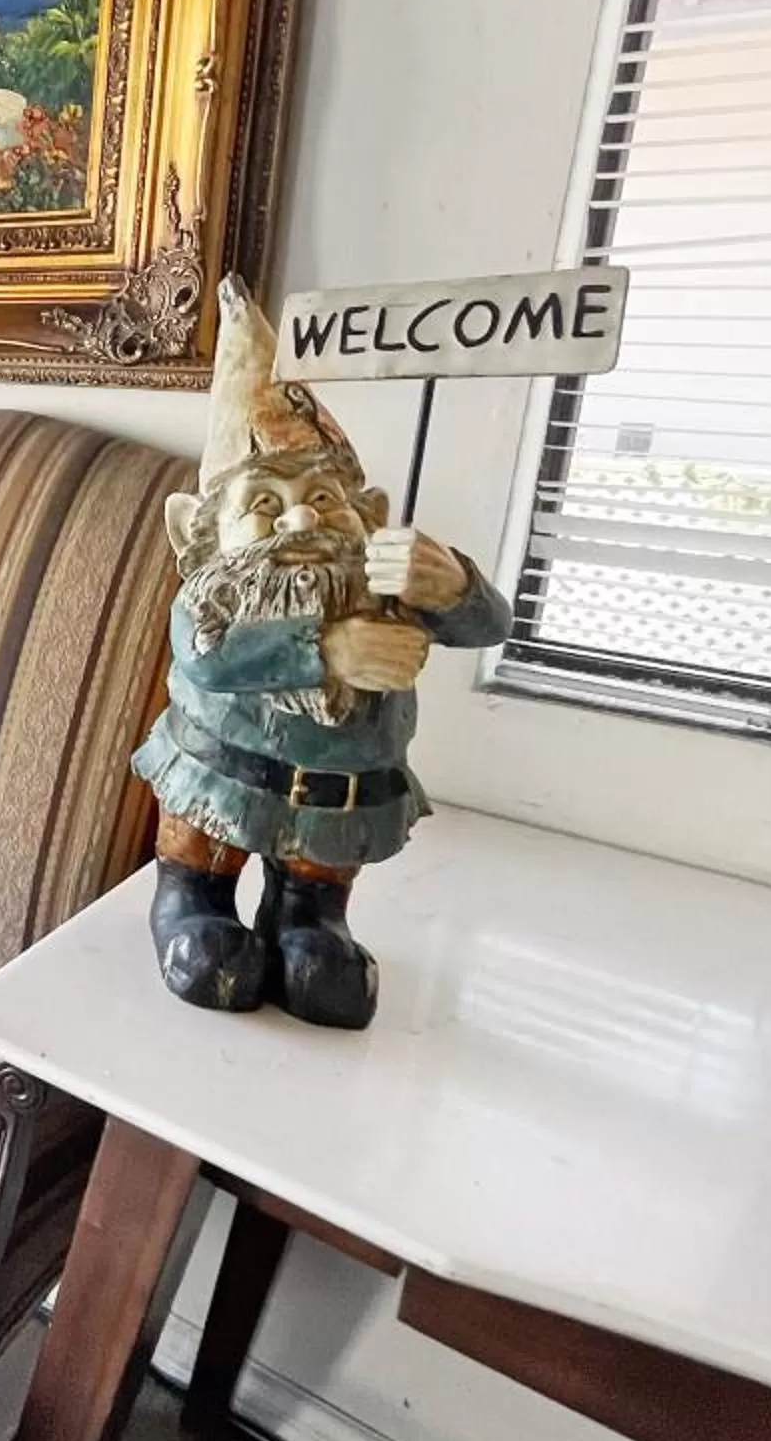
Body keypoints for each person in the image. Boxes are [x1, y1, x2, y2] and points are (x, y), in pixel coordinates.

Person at [134, 278, 511, 1028]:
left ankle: (309, 922)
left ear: (368, 516)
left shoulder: (382, 576)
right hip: (222, 785)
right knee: (203, 892)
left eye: (327, 498)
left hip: (340, 802)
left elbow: (486, 628)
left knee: (316, 927)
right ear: (198, 535)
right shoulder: (212, 596)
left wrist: (454, 585)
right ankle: (191, 911)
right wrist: (327, 648)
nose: (303, 515)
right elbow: (210, 661)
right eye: (266, 505)